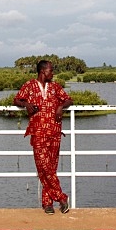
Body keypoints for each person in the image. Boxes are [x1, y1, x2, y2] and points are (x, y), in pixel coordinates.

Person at [13, 59, 74, 214]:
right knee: (43, 167)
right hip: (38, 133)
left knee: (51, 169)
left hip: (54, 132)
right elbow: (17, 99)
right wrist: (26, 105)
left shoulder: (55, 87)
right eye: (50, 71)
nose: (52, 73)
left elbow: (69, 99)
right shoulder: (29, 86)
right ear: (43, 71)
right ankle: (61, 197)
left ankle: (47, 204)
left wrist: (61, 107)